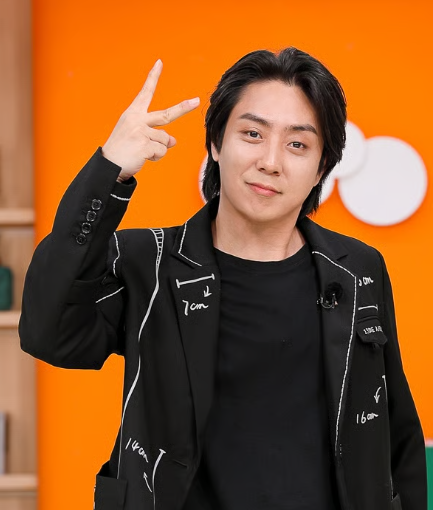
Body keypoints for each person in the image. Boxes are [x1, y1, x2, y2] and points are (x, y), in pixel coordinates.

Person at [19, 47, 427, 510]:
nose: (270, 161)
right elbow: (48, 332)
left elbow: (395, 427)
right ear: (215, 143)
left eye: (297, 144)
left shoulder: (356, 267)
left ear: (321, 168)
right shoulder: (148, 262)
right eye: (252, 134)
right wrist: (108, 171)